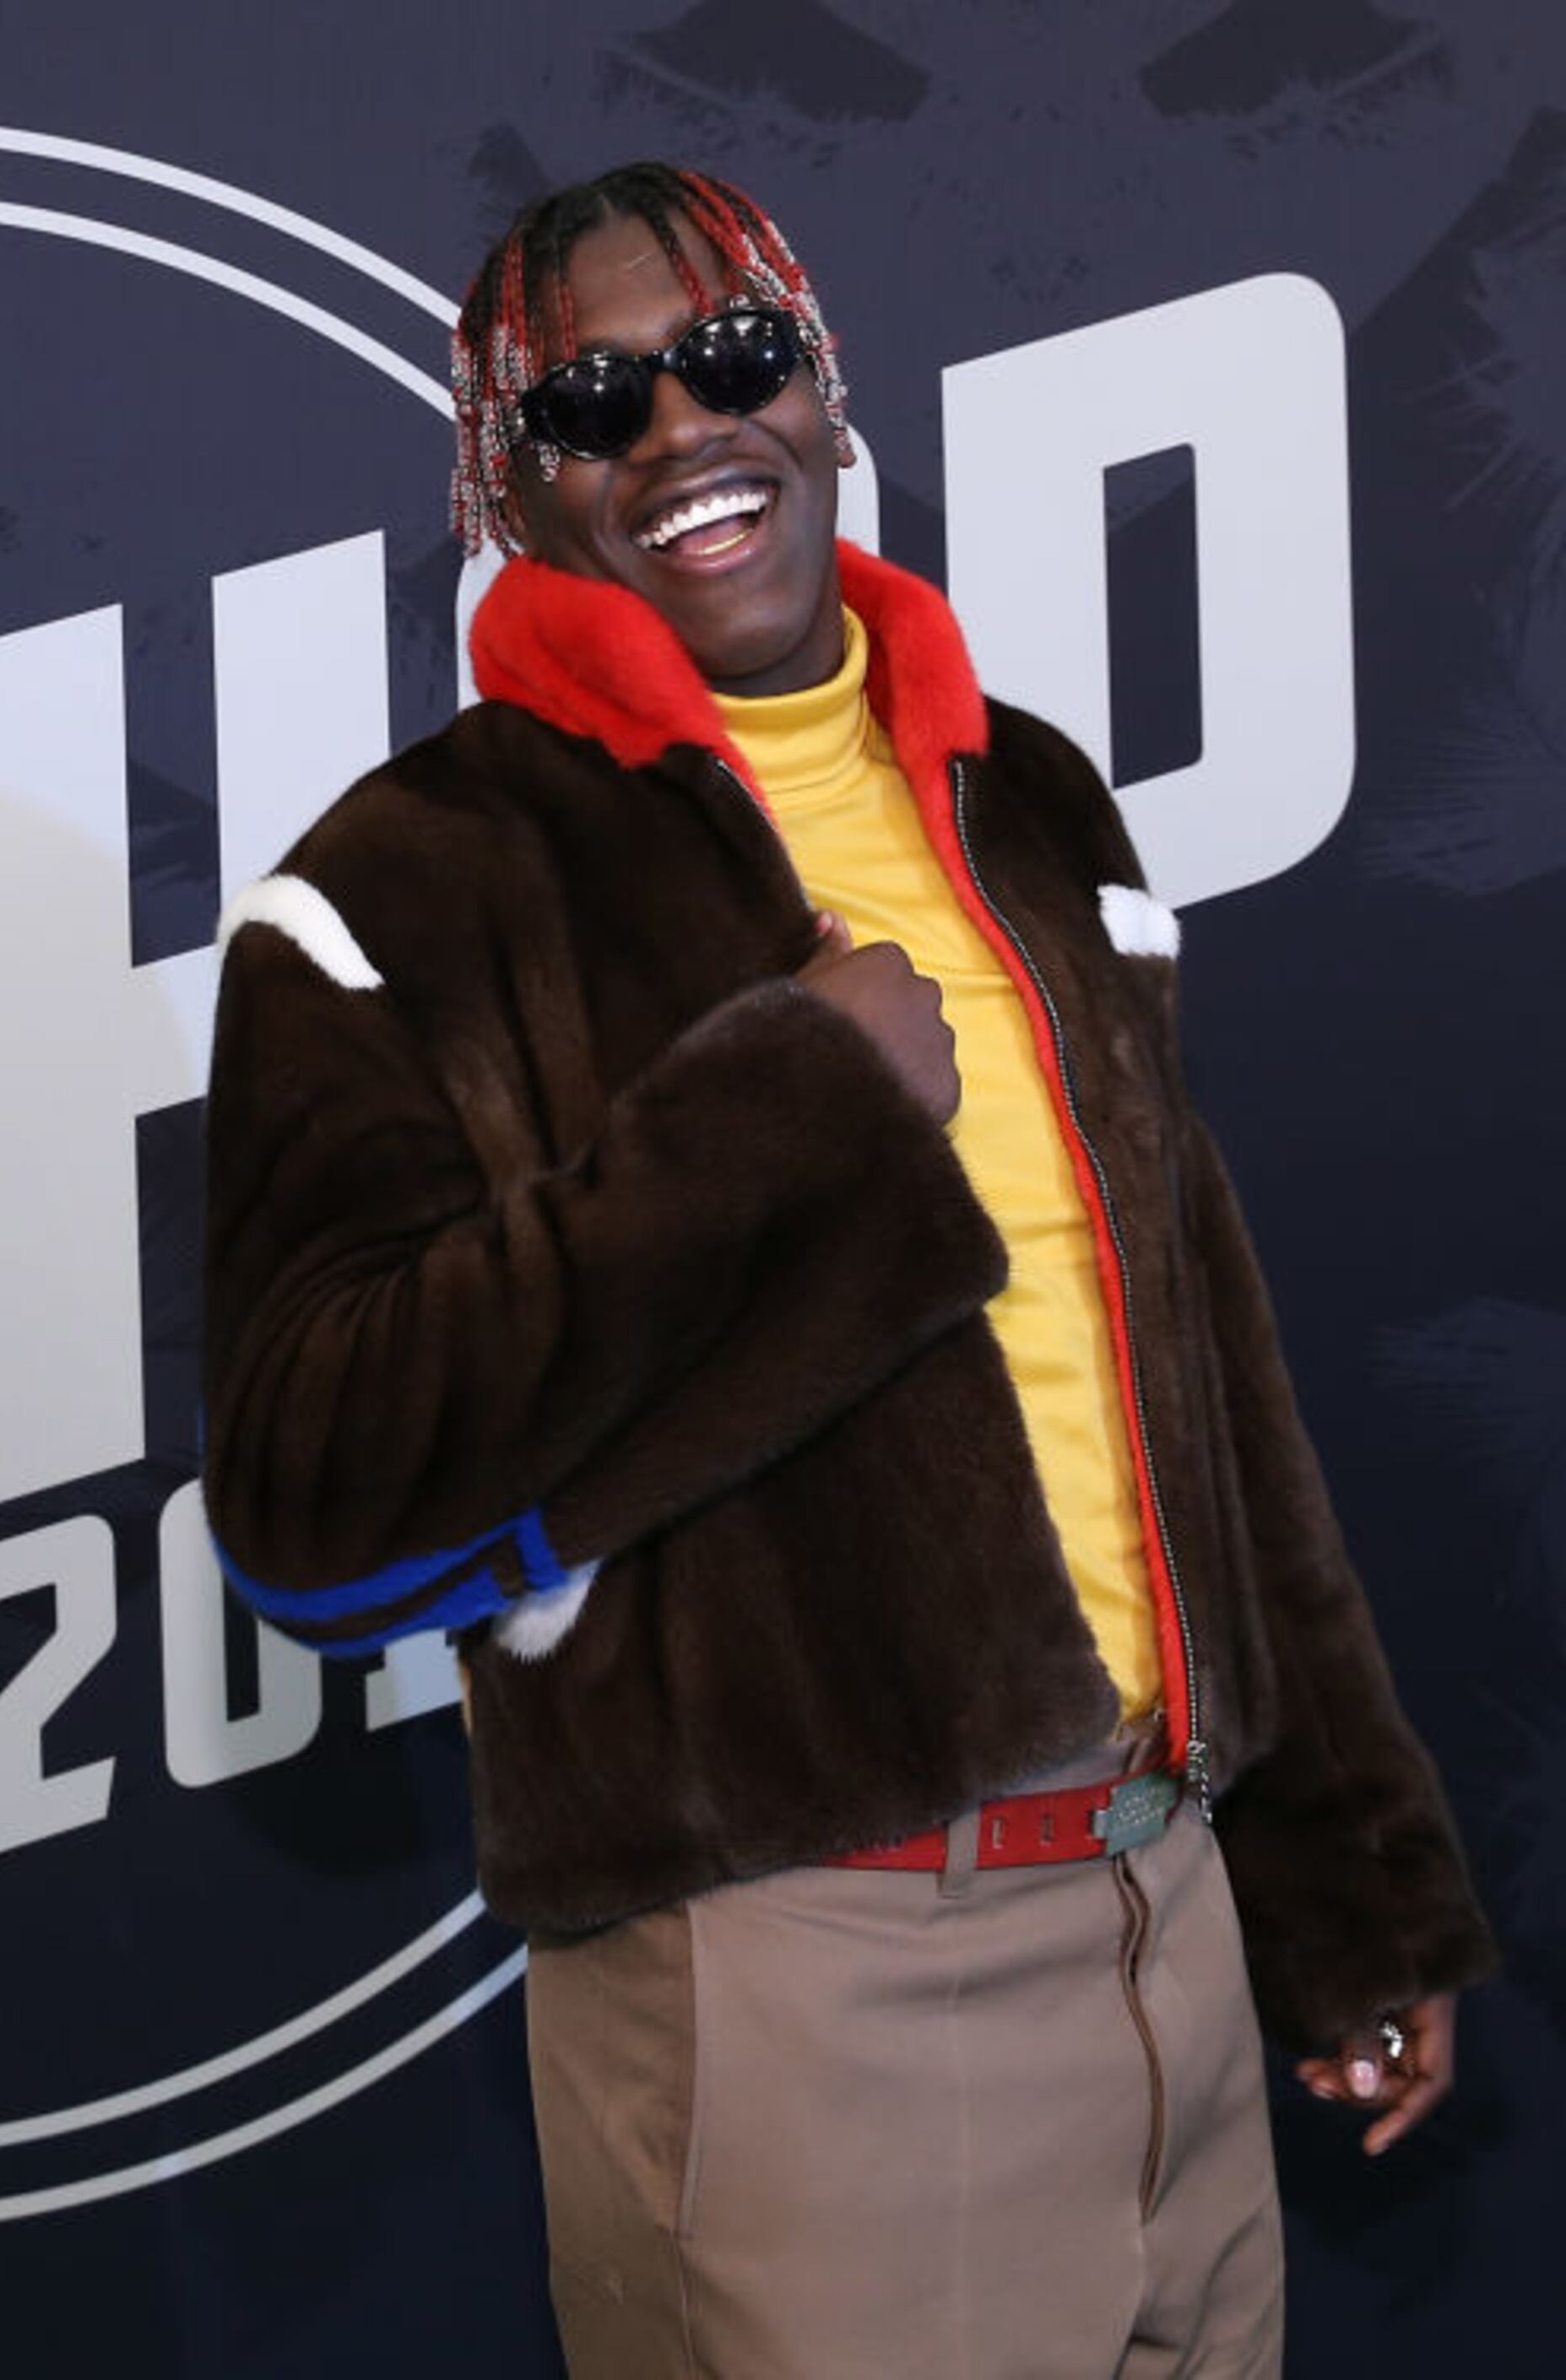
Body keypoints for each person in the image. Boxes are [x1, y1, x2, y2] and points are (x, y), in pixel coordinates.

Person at [199, 162, 1494, 2378]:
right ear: (501, 485)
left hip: (1163, 1912)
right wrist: (782, 1119)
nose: (684, 430)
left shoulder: (1034, 803)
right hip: (803, 1981)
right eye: (593, 400)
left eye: (730, 360)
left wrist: (1339, 1876)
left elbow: (1203, 1371)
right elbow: (315, 1506)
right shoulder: (394, 896)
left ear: (823, 381)